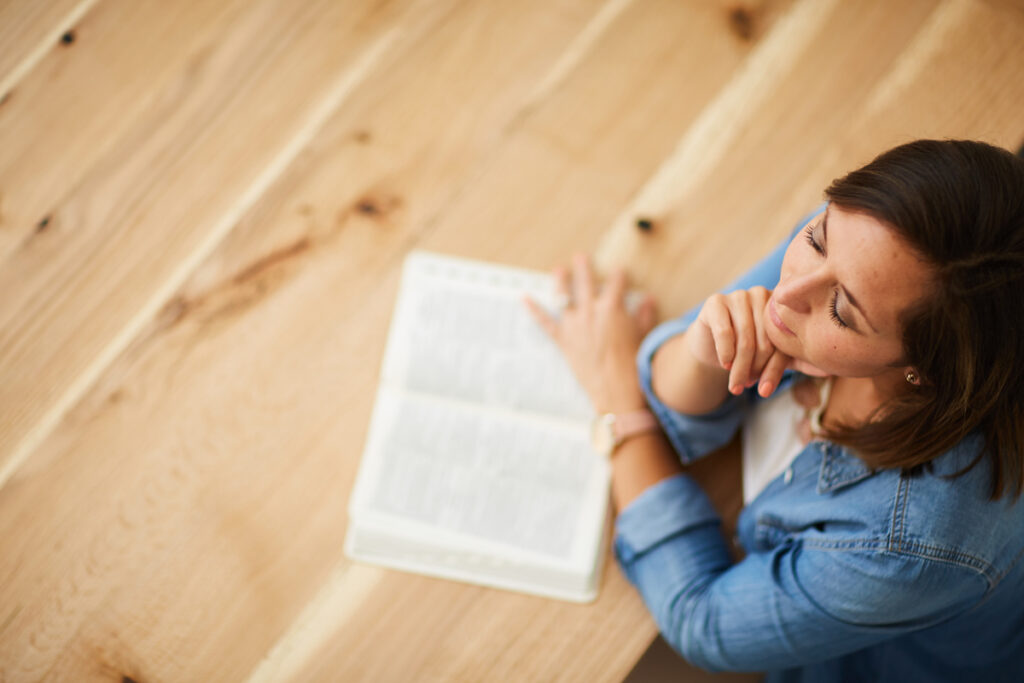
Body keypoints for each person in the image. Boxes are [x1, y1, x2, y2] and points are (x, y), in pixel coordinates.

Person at [525, 139, 1024, 681]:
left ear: (920, 369)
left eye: (841, 311)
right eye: (815, 237)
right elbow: (680, 380)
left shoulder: (908, 544)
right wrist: (700, 354)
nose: (786, 297)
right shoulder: (870, 242)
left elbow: (702, 620)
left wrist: (616, 402)